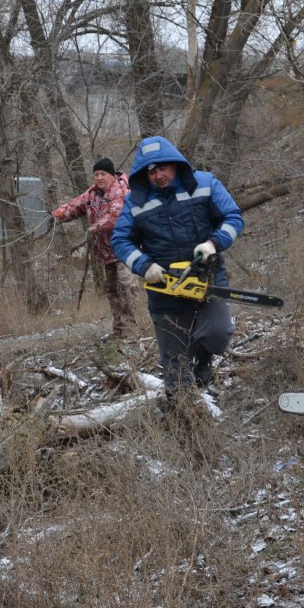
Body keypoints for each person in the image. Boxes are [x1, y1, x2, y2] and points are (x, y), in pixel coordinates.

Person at [111, 136, 243, 449]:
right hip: (164, 287)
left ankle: (203, 358)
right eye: (152, 170)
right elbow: (120, 241)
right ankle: (188, 430)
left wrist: (212, 244)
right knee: (174, 363)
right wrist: (145, 265)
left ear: (176, 164)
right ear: (144, 172)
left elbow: (233, 217)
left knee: (219, 333)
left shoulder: (205, 184)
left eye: (164, 168)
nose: (160, 175)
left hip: (206, 276)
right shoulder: (136, 201)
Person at [50, 158, 139, 339]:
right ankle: (120, 331)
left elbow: (115, 215)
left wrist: (96, 227)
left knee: (126, 287)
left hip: (126, 249)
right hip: (107, 252)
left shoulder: (121, 190)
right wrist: (59, 213)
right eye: (96, 174)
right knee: (112, 290)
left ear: (111, 175)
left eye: (103, 174)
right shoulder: (92, 194)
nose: (99, 177)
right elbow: (76, 205)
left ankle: (132, 332)